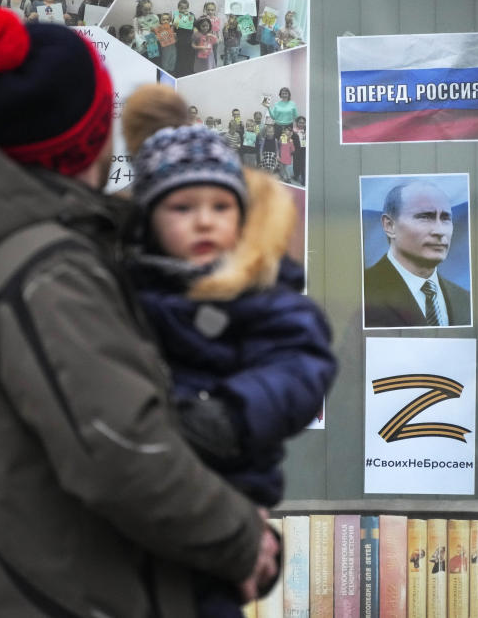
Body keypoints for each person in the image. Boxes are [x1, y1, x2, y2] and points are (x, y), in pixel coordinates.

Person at [0, 8, 279, 617]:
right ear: (91, 136)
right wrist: (246, 542)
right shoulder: (50, 273)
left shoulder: (32, 252)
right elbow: (124, 453)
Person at [122, 84, 336, 618]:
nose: (204, 220)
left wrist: (234, 412)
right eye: (182, 206)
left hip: (230, 482)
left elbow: (302, 364)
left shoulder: (259, 292)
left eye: (221, 206)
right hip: (146, 497)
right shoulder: (130, 286)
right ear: (148, 218)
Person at [363, 180, 472, 328]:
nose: (439, 231)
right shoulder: (363, 292)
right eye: (425, 217)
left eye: (446, 218)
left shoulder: (464, 299)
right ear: (389, 225)